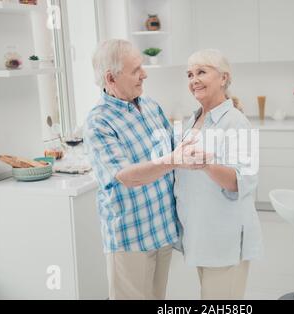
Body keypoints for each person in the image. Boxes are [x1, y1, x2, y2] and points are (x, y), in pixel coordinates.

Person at [84, 39, 205, 300]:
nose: (145, 73)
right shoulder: (98, 122)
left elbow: (174, 148)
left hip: (161, 229)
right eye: (136, 69)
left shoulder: (150, 106)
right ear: (111, 77)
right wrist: (175, 159)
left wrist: (208, 119)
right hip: (131, 238)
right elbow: (126, 176)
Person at [174, 49, 263, 300]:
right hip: (200, 232)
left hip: (224, 238)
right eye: (190, 74)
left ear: (223, 78)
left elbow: (241, 181)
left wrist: (206, 165)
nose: (193, 80)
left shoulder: (234, 122)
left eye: (201, 72)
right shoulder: (193, 120)